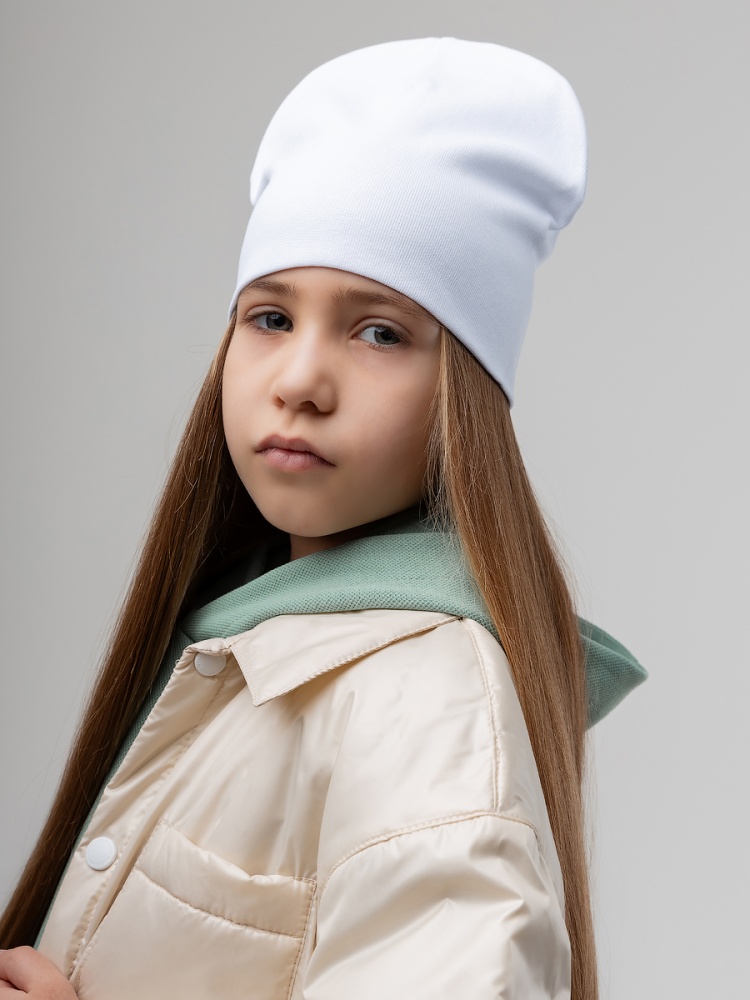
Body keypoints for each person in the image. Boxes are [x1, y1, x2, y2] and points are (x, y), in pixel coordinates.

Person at [0, 37, 646, 1000]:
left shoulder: (426, 705)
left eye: (379, 332)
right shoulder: (249, 633)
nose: (300, 380)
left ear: (464, 395)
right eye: (270, 317)